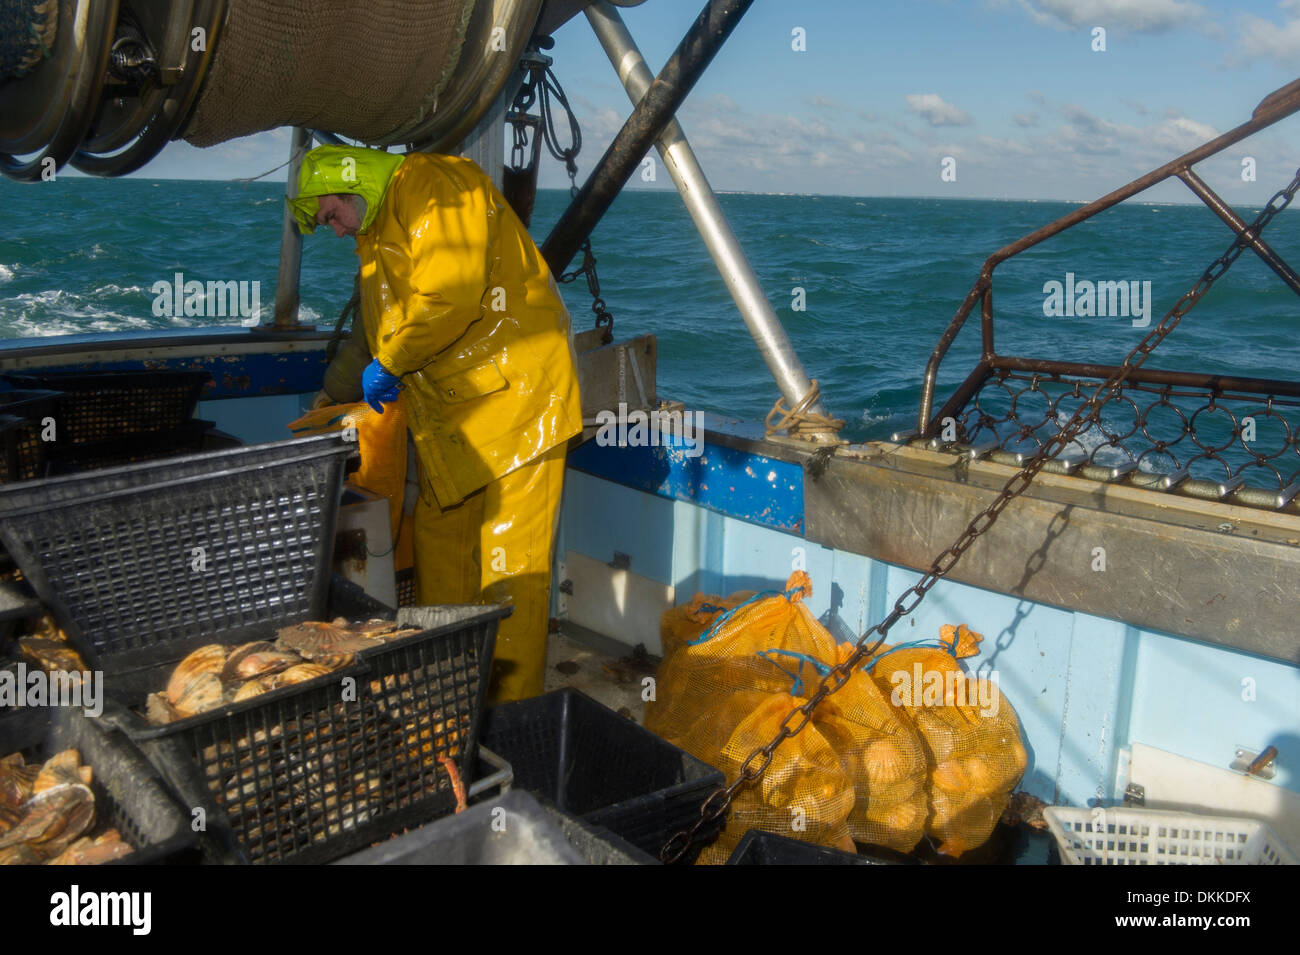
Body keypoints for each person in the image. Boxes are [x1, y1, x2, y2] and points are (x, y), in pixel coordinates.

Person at [288, 145, 582, 701]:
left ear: (347, 184)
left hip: (520, 405)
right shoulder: (373, 240)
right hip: (457, 420)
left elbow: (450, 294)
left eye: (329, 216)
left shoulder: (433, 182)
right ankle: (448, 685)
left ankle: (510, 708)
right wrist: (329, 396)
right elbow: (368, 339)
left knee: (510, 568)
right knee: (437, 538)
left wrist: (393, 362)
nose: (334, 230)